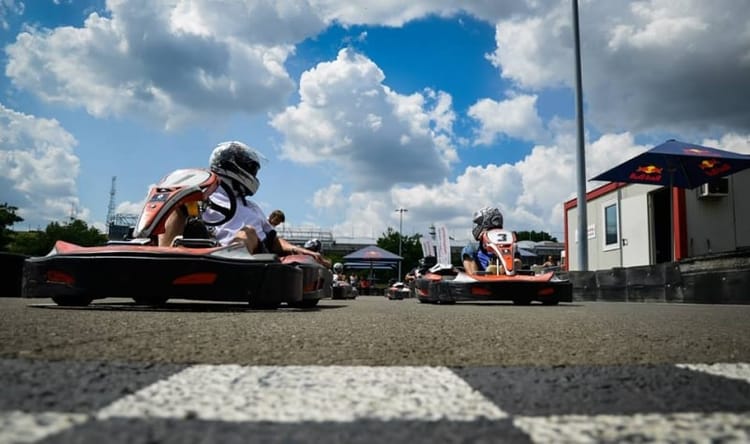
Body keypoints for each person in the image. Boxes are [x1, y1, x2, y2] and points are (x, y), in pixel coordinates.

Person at [158, 141, 326, 265]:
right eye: (252, 169)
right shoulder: (198, 196)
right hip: (205, 247)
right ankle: (163, 259)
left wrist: (297, 249)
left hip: (248, 259)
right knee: (177, 206)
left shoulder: (251, 207)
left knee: (247, 232)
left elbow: (274, 240)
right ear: (233, 165)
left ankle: (227, 262)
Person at [461, 206, 520, 274]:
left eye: (478, 224)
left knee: (468, 249)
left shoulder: (475, 244)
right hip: (491, 271)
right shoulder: (508, 236)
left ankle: (476, 274)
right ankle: (504, 269)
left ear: (485, 222)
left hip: (486, 274)